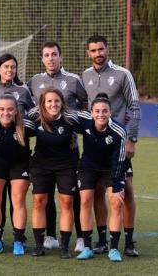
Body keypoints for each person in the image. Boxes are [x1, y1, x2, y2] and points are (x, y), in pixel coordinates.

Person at [82, 34, 141, 257]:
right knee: (97, 193)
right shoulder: (85, 76)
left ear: (107, 49)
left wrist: (131, 139)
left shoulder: (122, 74)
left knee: (126, 191)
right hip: (95, 146)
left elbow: (134, 107)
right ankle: (102, 240)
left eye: (101, 49)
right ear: (88, 53)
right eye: (93, 50)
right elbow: (81, 106)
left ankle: (128, 241)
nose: (98, 54)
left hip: (118, 143)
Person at [28, 41, 87, 252]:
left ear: (60, 57)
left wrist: (71, 126)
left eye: (54, 54)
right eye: (46, 55)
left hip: (68, 148)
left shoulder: (73, 80)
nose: (50, 58)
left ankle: (81, 237)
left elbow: (86, 103)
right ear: (42, 58)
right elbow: (27, 108)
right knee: (44, 196)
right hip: (45, 149)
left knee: (72, 196)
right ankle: (50, 236)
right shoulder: (34, 81)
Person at [0, 94, 36, 255]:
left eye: (10, 109)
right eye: (2, 109)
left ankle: (19, 241)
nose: (6, 112)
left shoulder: (26, 125)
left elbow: (46, 132)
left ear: (16, 111)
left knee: (18, 200)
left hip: (20, 164)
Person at [74, 93, 127, 262]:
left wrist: (118, 186)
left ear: (110, 112)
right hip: (88, 166)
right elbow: (64, 113)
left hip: (111, 168)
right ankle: (88, 247)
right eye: (97, 111)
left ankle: (113, 249)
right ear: (91, 112)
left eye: (105, 111)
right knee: (85, 200)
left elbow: (119, 161)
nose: (101, 114)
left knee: (116, 202)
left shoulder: (118, 131)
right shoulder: (84, 120)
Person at [28, 88, 80, 258]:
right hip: (41, 166)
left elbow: (92, 122)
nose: (53, 104)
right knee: (39, 201)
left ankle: (64, 246)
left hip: (66, 165)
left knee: (66, 202)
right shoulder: (34, 118)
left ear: (62, 103)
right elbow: (16, 122)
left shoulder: (71, 119)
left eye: (56, 101)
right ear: (42, 104)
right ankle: (38, 245)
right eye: (49, 101)